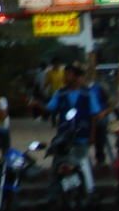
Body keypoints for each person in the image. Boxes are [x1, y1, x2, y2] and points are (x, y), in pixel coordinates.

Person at [41, 64, 110, 198]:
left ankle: (90, 191)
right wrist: (38, 105)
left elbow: (93, 115)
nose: (65, 77)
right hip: (64, 139)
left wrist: (92, 134)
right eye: (64, 74)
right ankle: (52, 195)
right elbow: (50, 109)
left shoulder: (87, 94)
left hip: (82, 136)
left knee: (83, 164)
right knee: (57, 165)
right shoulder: (60, 93)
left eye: (68, 74)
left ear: (76, 77)